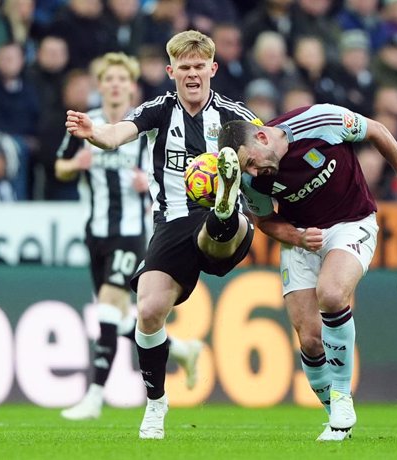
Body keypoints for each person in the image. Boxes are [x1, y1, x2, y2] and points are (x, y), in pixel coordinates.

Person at [65, 30, 259, 440]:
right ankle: (156, 404)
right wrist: (94, 131)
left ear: (213, 68)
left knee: (218, 226)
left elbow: (270, 155)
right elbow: (117, 134)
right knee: (149, 310)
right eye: (184, 68)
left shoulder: (234, 116)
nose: (192, 74)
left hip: (228, 227)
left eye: (199, 66)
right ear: (171, 71)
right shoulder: (158, 110)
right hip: (171, 224)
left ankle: (223, 205)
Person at [217, 104, 397, 441]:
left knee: (331, 294)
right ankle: (336, 421)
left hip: (352, 222)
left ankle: (343, 397)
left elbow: (375, 128)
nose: (254, 173)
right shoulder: (250, 179)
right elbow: (264, 221)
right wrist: (297, 236)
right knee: (310, 339)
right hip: (303, 238)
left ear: (261, 137)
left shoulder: (320, 121)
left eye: (252, 163)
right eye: (247, 169)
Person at [56, 52, 203, 421]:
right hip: (96, 233)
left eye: (123, 78)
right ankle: (181, 350)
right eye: (110, 79)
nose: (116, 84)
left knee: (108, 307)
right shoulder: (86, 123)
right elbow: (58, 167)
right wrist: (75, 164)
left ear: (131, 86)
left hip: (132, 232)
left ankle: (93, 397)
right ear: (101, 85)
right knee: (116, 317)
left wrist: (146, 184)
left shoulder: (146, 124)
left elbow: (172, 170)